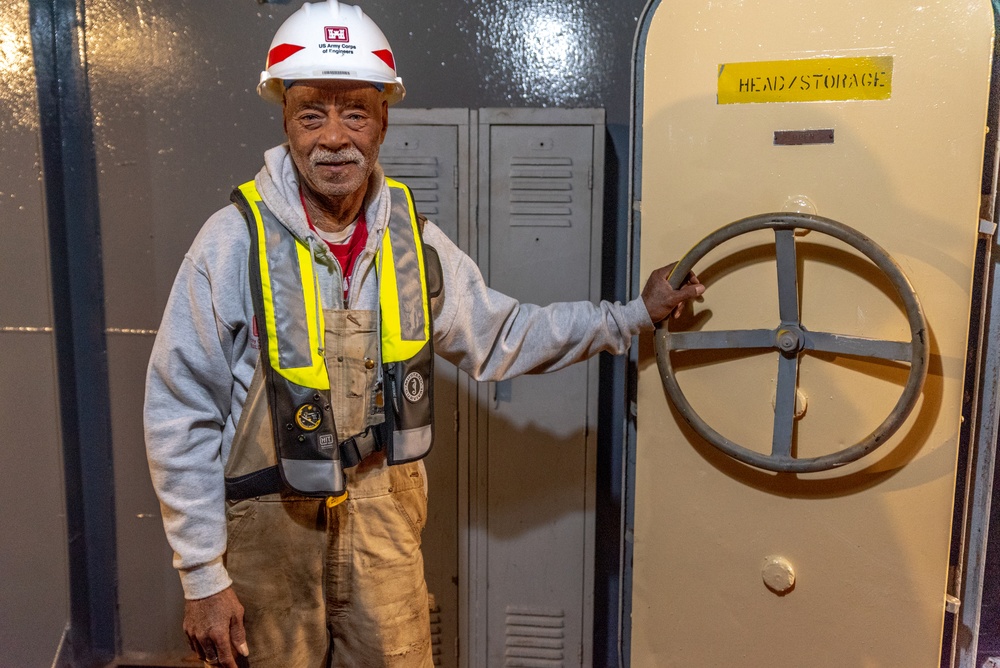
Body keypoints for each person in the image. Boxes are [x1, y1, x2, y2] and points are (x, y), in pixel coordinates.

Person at [142, 1, 704, 667]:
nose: (333, 137)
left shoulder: (416, 244)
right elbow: (181, 410)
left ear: (384, 118)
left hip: (383, 524)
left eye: (354, 111)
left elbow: (506, 335)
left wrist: (631, 317)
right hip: (268, 527)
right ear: (285, 119)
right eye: (311, 113)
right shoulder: (233, 240)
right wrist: (204, 577)